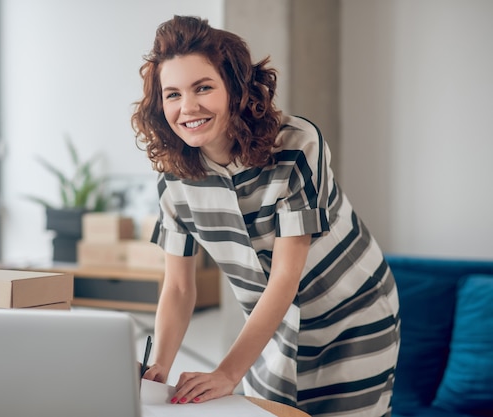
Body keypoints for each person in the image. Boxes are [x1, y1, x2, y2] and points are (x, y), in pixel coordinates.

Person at [131, 15, 400, 417]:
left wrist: (227, 373)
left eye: (203, 87)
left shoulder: (296, 147)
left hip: (352, 318)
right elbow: (179, 289)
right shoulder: (174, 181)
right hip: (270, 328)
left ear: (235, 90)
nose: (188, 107)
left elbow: (285, 277)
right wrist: (160, 369)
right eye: (172, 94)